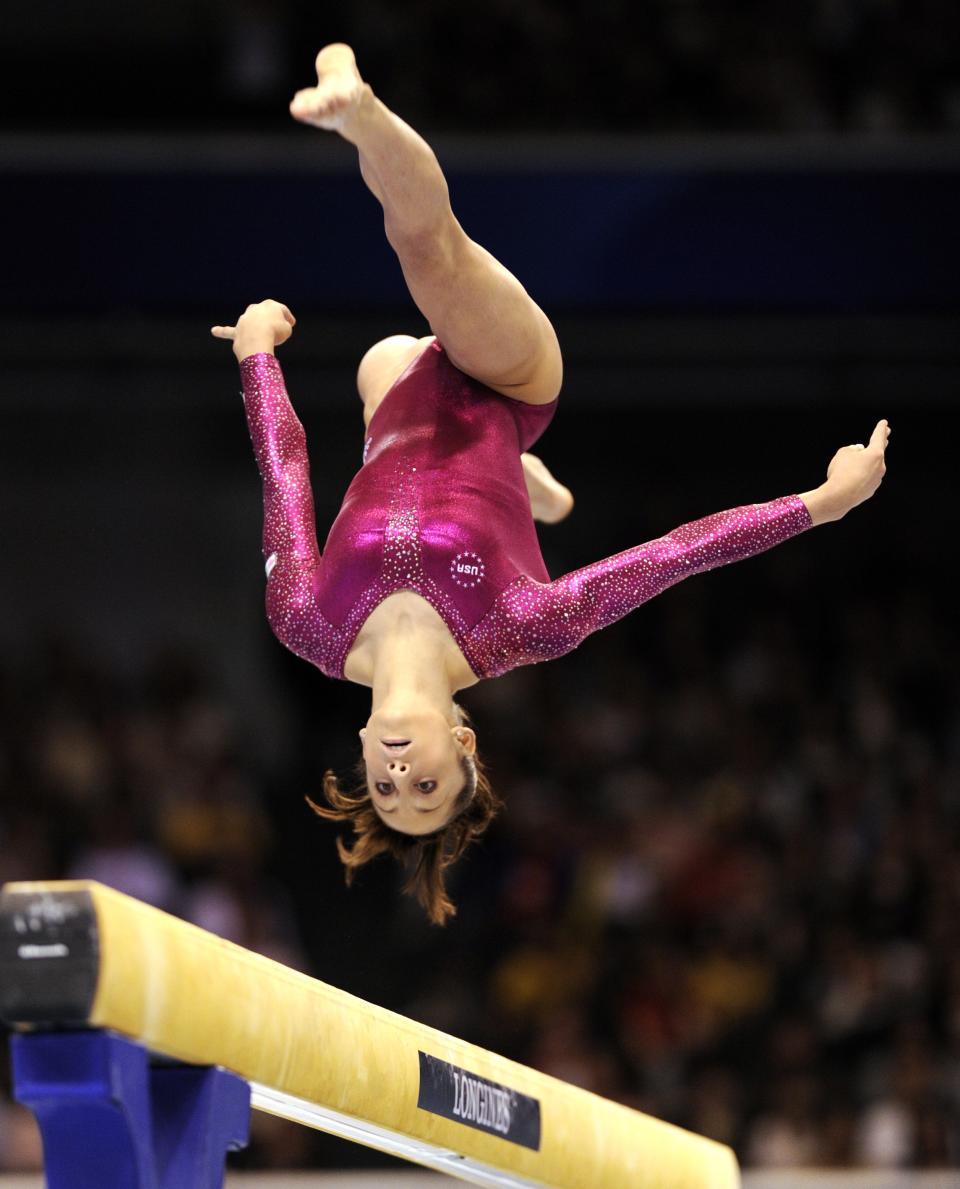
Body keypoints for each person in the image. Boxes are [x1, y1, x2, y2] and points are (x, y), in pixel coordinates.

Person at [211, 44, 890, 924]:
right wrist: (820, 502)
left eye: (387, 785)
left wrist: (257, 355)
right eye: (427, 783)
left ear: (363, 752)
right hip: (506, 385)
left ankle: (522, 489)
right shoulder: (517, 626)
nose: (400, 771)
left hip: (393, 397)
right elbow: (673, 556)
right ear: (466, 743)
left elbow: (288, 476)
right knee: (432, 255)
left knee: (396, 352)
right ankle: (358, 106)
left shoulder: (307, 624)